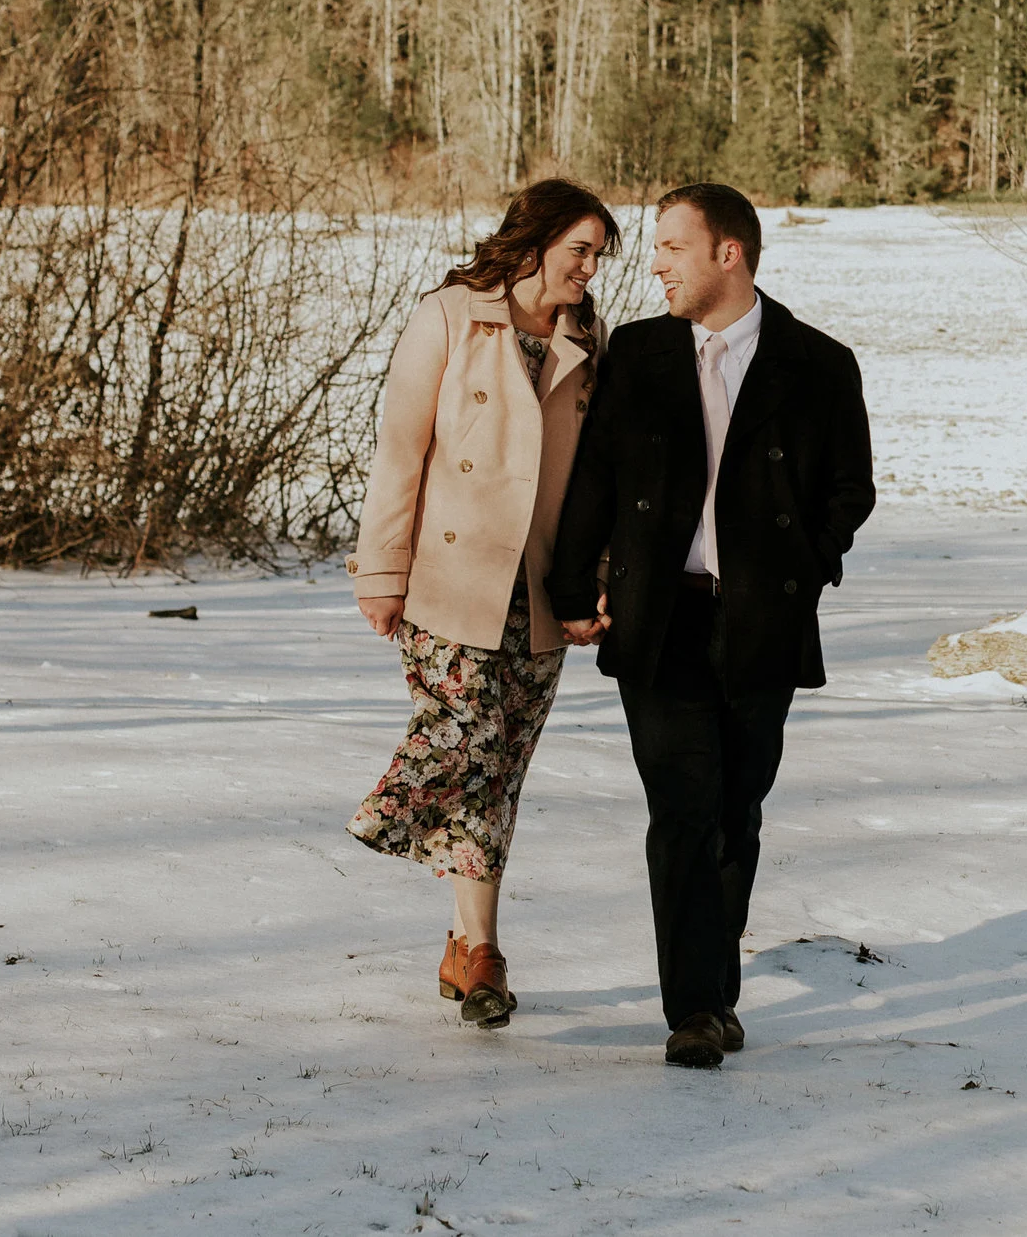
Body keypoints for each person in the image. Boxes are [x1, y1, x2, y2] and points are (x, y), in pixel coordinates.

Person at [548, 183, 875, 1068]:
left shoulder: (819, 364)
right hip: (661, 619)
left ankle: (713, 982)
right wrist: (572, 582)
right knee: (683, 807)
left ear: (728, 254)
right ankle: (694, 1007)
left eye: (671, 247)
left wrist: (803, 564)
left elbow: (852, 491)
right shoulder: (641, 354)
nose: (654, 263)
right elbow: (598, 479)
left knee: (737, 812)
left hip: (763, 623)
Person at [345, 179, 621, 1029]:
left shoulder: (586, 335)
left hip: (539, 589)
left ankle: (477, 949)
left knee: (500, 773)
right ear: (534, 242)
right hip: (450, 580)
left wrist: (593, 579)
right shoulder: (450, 315)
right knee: (467, 739)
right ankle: (391, 812)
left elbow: (595, 479)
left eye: (599, 255)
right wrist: (381, 569)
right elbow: (401, 448)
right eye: (579, 249)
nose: (590, 268)